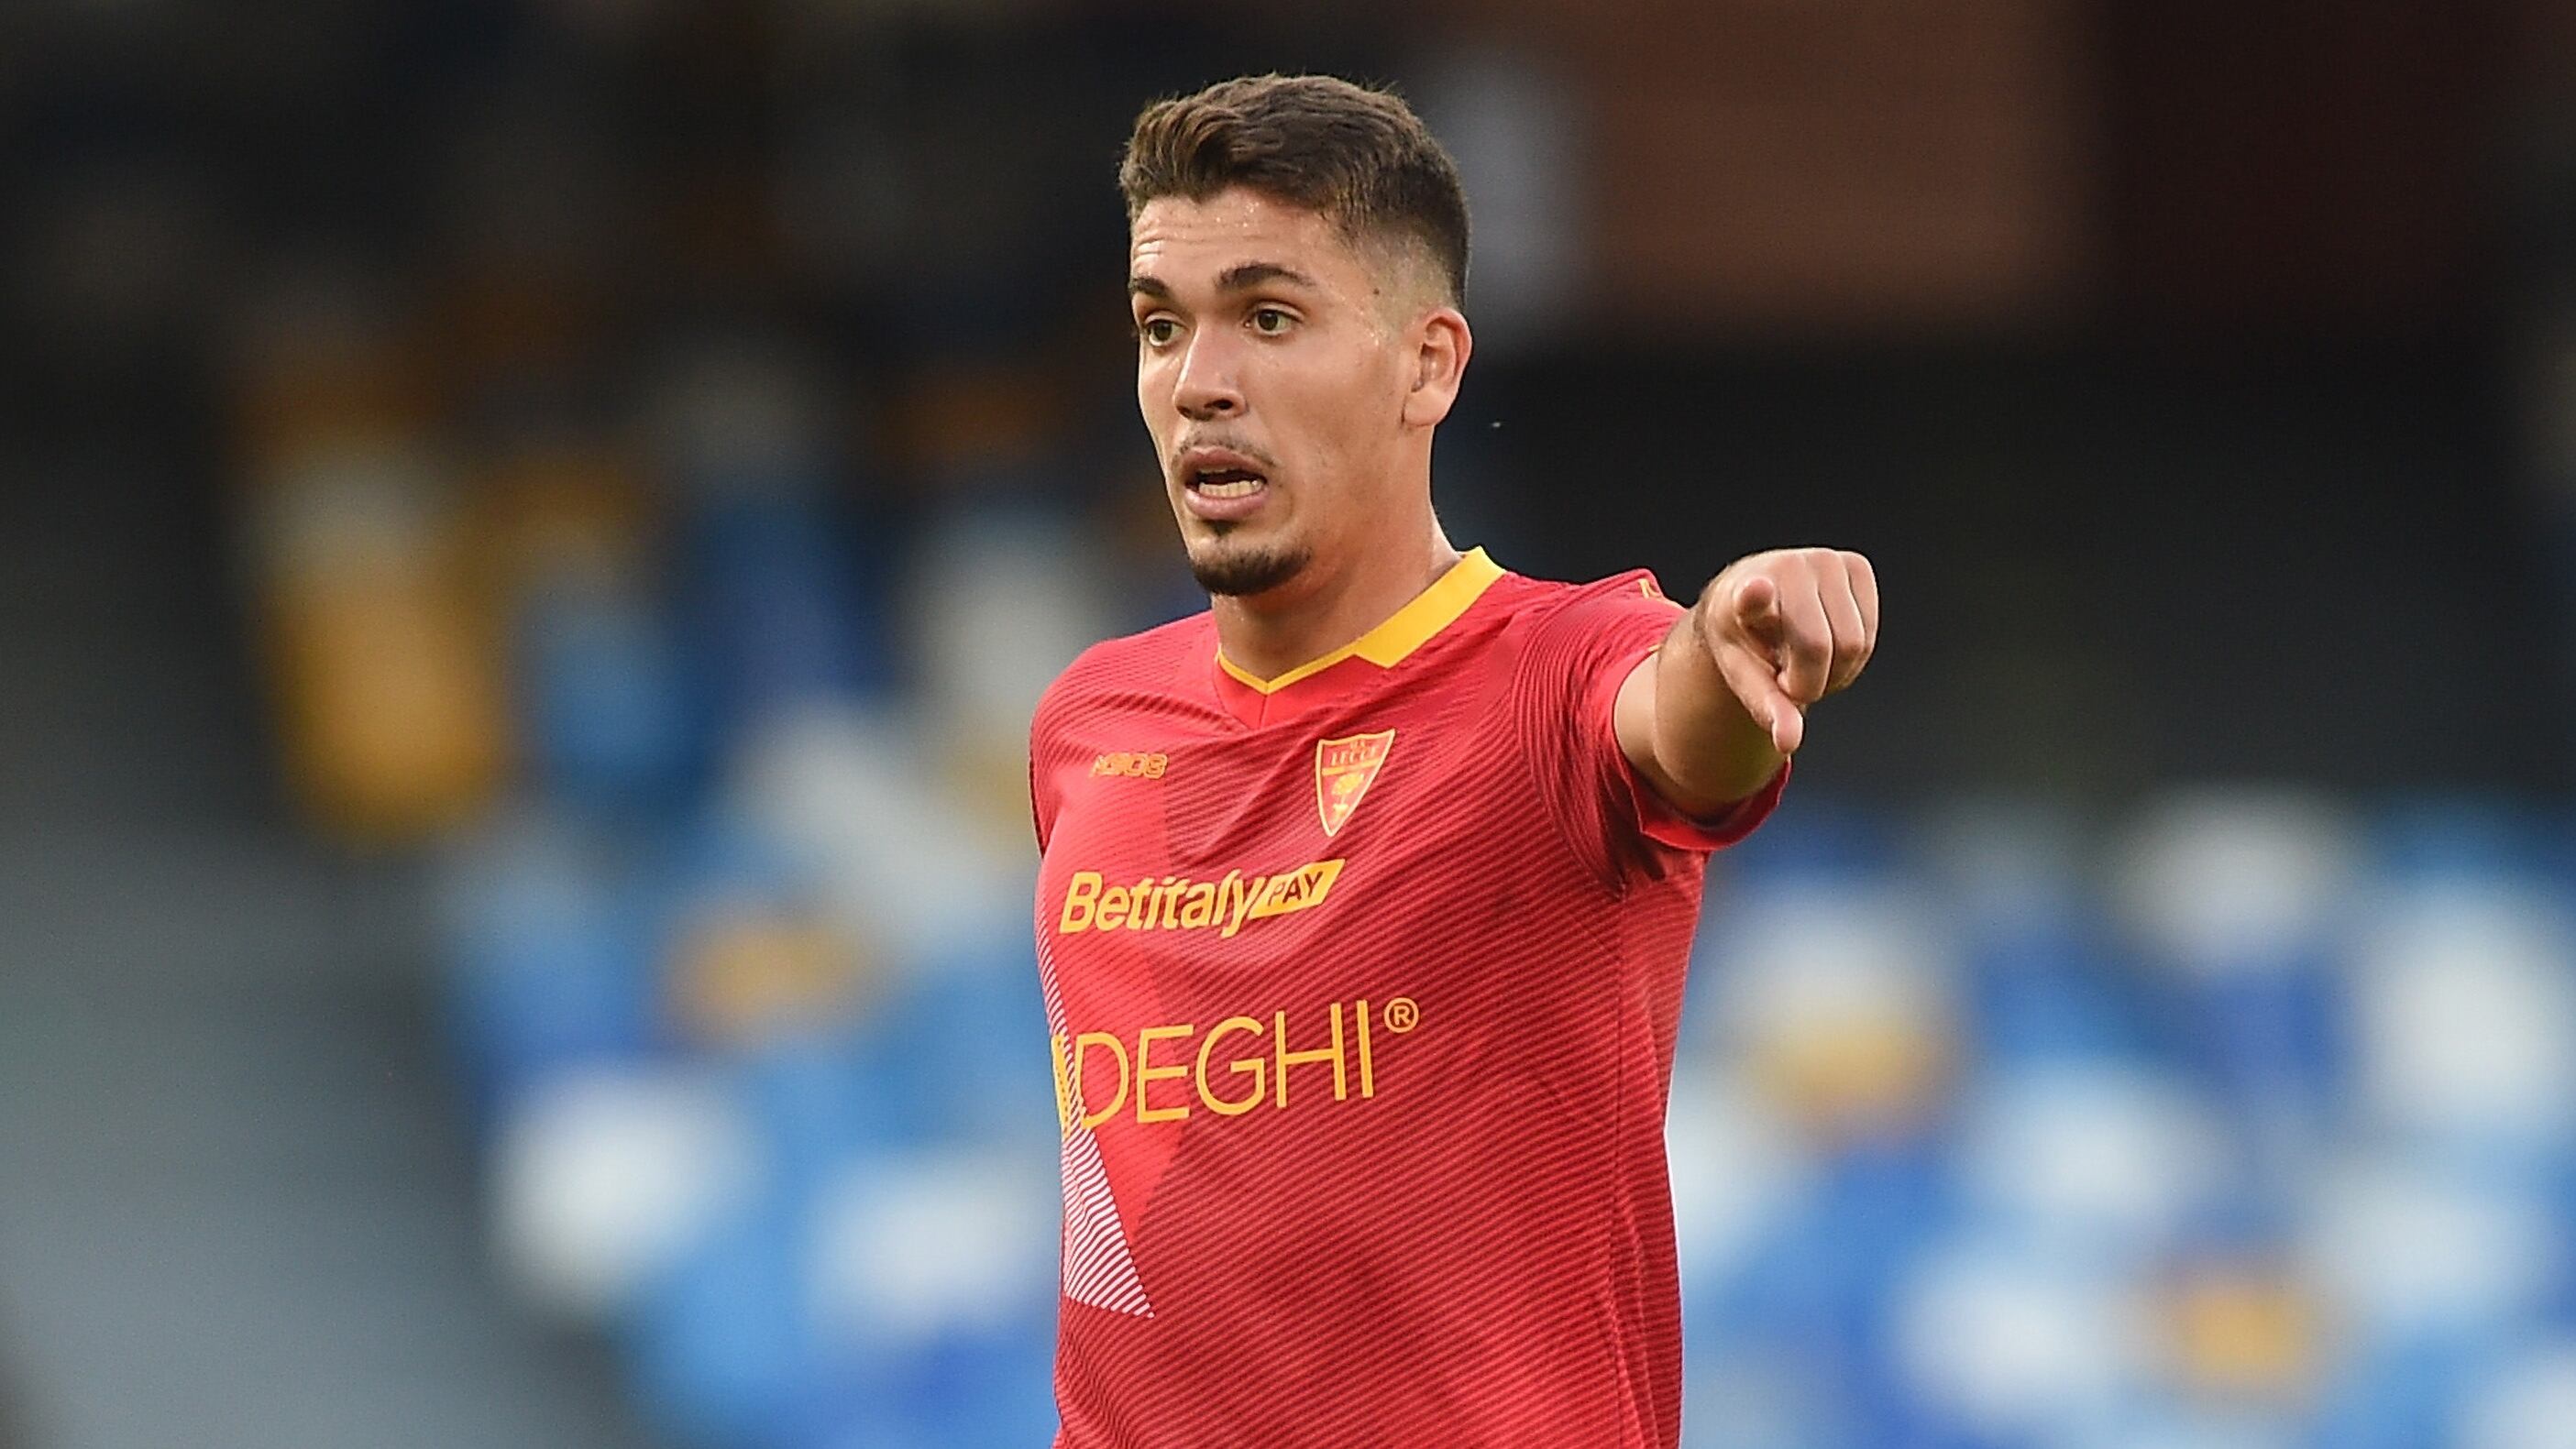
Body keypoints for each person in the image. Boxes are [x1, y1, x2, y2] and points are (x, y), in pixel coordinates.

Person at [1026, 72, 1877, 1448]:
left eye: (1269, 316)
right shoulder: (1086, 725)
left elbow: (1674, 726)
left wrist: (1732, 637)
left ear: (1427, 363)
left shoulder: (1561, 672)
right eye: (1159, 326)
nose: (1199, 384)